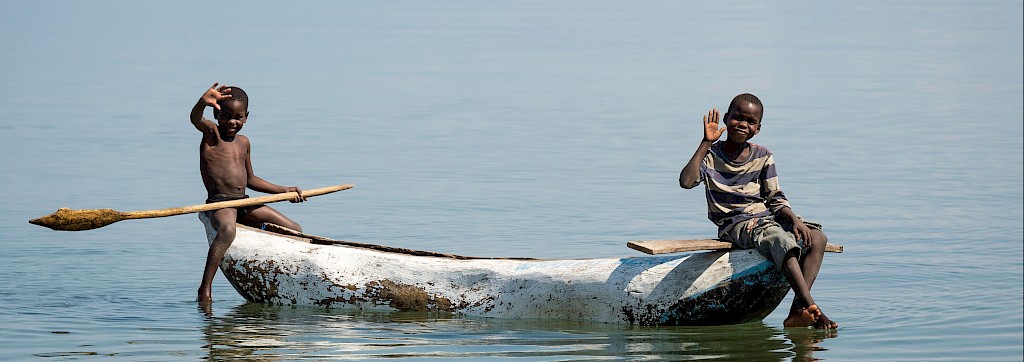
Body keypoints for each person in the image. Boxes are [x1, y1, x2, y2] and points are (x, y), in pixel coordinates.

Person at [678, 93, 838, 329]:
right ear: (725, 119)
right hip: (736, 224)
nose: (743, 124)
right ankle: (812, 307)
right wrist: (706, 142)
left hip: (765, 218)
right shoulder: (711, 156)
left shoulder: (763, 156)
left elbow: (775, 197)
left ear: (758, 129)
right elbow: (687, 181)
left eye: (750, 122)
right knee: (780, 239)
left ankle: (797, 311)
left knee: (816, 237)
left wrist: (794, 220)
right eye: (737, 118)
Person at [190, 83, 305, 304]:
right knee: (227, 229)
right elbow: (196, 119)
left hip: (244, 202)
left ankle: (278, 277)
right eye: (225, 116)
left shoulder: (244, 142)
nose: (232, 122)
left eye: (238, 117)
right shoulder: (212, 134)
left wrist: (285, 191)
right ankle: (205, 288)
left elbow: (251, 180)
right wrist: (201, 102)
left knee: (294, 229)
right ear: (216, 114)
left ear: (246, 117)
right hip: (220, 204)